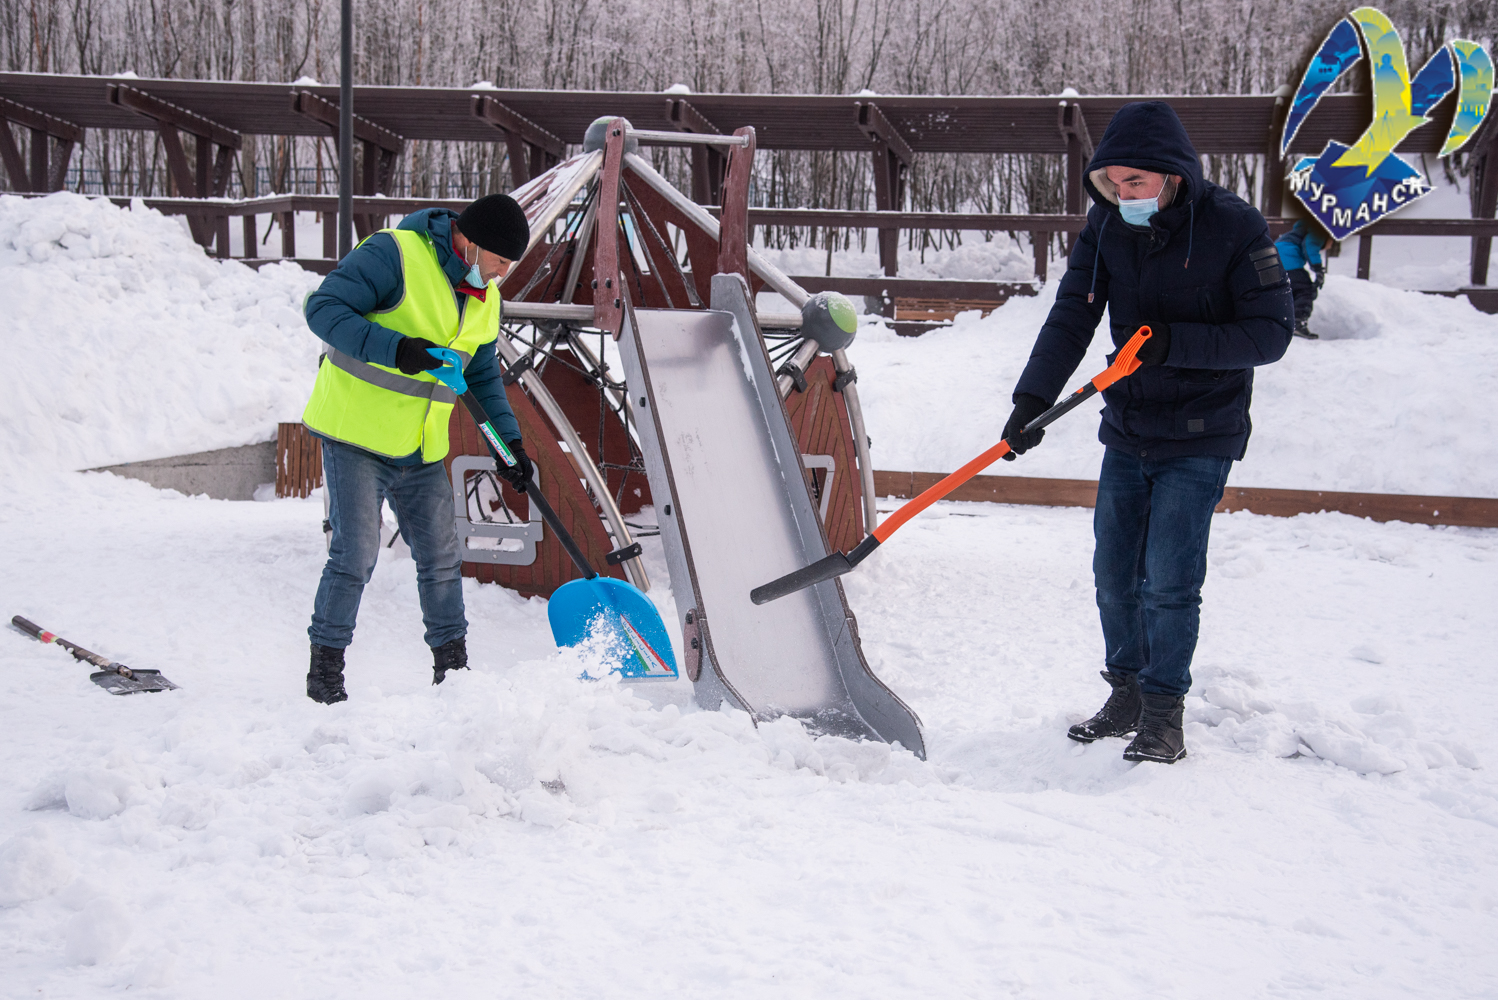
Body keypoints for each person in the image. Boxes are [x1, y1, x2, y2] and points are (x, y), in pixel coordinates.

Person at [1002, 101, 1293, 762]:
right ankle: (1127, 690)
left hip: (1203, 430)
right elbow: (1072, 318)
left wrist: (1172, 345)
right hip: (1129, 424)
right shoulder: (1107, 227)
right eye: (1112, 184)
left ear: (1172, 174)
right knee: (1113, 571)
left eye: (1135, 183)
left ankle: (1164, 712)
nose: (1122, 196)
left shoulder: (1234, 226)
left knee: (1168, 576)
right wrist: (1031, 400)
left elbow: (1270, 333)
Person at [300, 194, 534, 703]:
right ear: (470, 242)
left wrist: (508, 443)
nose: (501, 274)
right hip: (356, 435)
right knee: (355, 555)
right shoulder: (396, 253)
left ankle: (453, 674)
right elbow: (321, 310)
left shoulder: (484, 298)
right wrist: (398, 350)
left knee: (441, 559)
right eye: (499, 261)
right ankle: (326, 673)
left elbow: (481, 374)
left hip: (420, 447)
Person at [1274, 219, 1328, 339]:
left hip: (1274, 262)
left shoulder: (1295, 232)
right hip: (1288, 261)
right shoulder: (1319, 229)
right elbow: (1310, 245)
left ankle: (1282, 321)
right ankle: (1298, 323)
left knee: (1287, 291)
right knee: (1305, 290)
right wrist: (1318, 268)